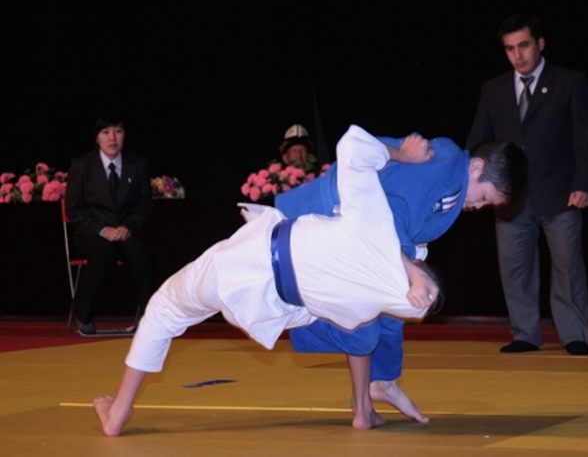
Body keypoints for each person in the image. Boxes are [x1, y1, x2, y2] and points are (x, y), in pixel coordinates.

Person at [93, 125, 441, 436]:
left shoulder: (374, 227)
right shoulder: (381, 298)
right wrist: (414, 275)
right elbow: (412, 294)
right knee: (362, 330)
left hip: (245, 264)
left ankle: (119, 411)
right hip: (281, 307)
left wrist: (403, 154)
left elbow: (353, 144)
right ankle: (362, 410)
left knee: (164, 308)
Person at [275, 132, 527, 421]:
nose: (478, 207)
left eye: (486, 205)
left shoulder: (452, 175)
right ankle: (375, 389)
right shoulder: (442, 169)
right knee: (372, 310)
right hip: (321, 219)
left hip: (343, 227)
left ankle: (373, 395)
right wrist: (413, 272)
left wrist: (413, 266)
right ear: (476, 167)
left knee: (379, 308)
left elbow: (396, 224)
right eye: (483, 197)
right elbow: (386, 219)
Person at [466, 13, 588, 356]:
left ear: (540, 44)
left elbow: (585, 138)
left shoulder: (570, 82)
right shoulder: (493, 89)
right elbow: (478, 141)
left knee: (568, 266)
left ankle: (575, 335)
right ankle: (525, 333)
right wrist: (469, 187)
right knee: (514, 268)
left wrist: (584, 183)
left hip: (561, 192)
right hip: (509, 196)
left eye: (524, 46)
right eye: (510, 48)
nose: (518, 55)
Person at [66, 114, 156, 335]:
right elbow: (74, 210)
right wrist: (102, 229)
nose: (112, 138)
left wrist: (127, 227)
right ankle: (83, 315)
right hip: (92, 232)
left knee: (141, 252)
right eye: (106, 132)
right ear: (97, 137)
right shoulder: (82, 165)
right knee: (104, 251)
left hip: (127, 231)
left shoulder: (138, 164)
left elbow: (144, 204)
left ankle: (150, 317)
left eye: (118, 131)